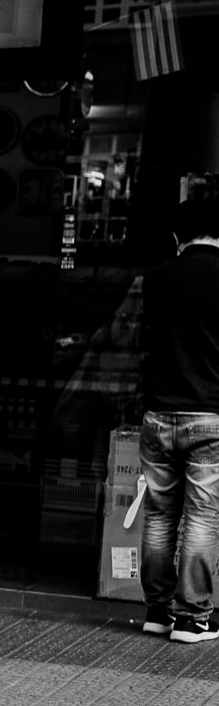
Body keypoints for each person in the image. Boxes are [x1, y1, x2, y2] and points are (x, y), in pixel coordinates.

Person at [138, 198, 219, 644]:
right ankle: (193, 617)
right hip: (211, 413)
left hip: (158, 414)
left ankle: (158, 611)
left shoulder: (155, 280)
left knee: (159, 515)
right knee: (203, 516)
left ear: (178, 237)